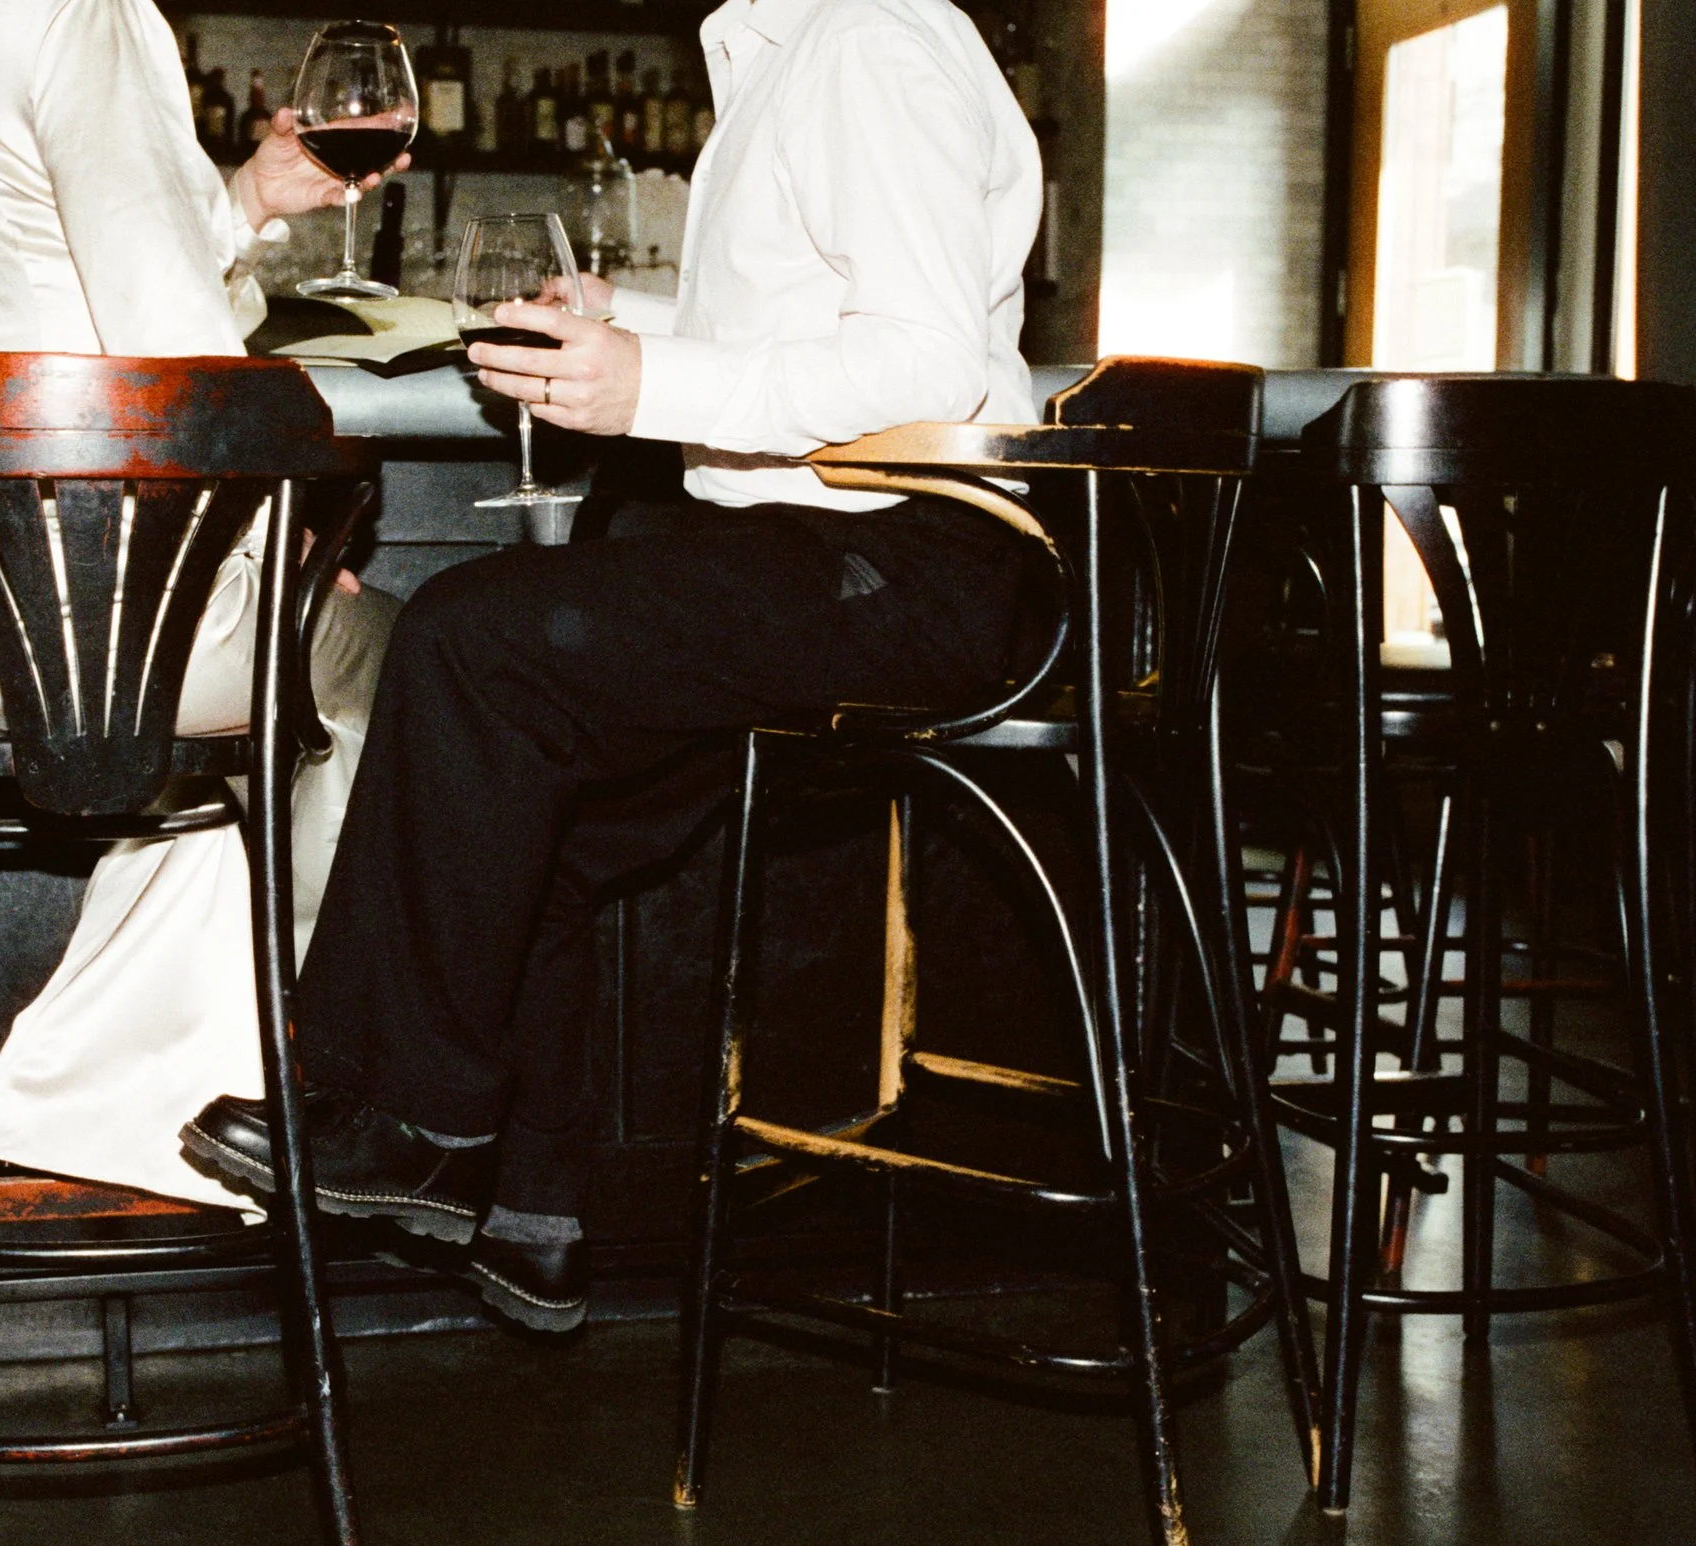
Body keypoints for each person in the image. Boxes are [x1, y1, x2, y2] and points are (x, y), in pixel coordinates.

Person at [184, 0, 1050, 1324]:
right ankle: (533, 1208)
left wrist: (652, 384)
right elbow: (818, 311)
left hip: (909, 563)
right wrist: (627, 311)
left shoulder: (868, 37)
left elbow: (924, 358)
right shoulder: (786, 49)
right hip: (851, 549)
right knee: (541, 808)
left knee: (471, 640)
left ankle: (406, 1115)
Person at [0, 0, 407, 1209]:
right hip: (115, 601)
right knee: (419, 672)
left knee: (296, 700)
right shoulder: (83, 8)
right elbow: (178, 364)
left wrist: (248, 201)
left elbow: (66, 267)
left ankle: (96, 1098)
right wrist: (293, 546)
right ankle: (296, 1104)